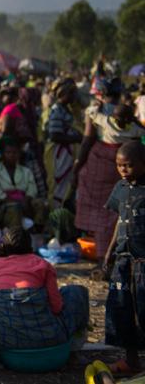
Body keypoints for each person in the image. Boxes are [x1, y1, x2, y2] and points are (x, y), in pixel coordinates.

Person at [0, 227, 88, 351]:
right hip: (48, 339)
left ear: (4, 246)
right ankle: (74, 345)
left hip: (5, 340)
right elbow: (56, 307)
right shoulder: (43, 265)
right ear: (30, 245)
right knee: (75, 291)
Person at [76, 101, 145, 259]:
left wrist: (96, 106)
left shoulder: (106, 121)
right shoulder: (133, 130)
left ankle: (105, 253)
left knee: (106, 213)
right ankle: (110, 253)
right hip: (118, 166)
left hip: (99, 168)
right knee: (115, 215)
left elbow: (91, 113)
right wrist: (134, 120)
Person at [103, 141, 145, 375]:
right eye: (119, 165)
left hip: (143, 263)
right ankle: (131, 361)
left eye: (128, 165)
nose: (123, 170)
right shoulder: (119, 188)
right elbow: (120, 221)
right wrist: (110, 252)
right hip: (123, 261)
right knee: (122, 308)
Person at [0, 136, 45, 230]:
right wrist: (18, 203)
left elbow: (32, 190)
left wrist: (26, 200)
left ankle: (37, 231)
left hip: (26, 204)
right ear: (2, 154)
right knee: (14, 208)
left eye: (14, 152)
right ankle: (15, 235)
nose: (12, 155)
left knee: (40, 204)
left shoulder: (26, 171)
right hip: (5, 208)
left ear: (19, 153)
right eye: (8, 152)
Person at [44, 78, 82, 206]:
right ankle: (55, 212)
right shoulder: (57, 110)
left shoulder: (67, 109)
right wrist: (77, 138)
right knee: (58, 186)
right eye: (71, 93)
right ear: (62, 93)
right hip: (59, 155)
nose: (74, 96)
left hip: (68, 154)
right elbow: (55, 136)